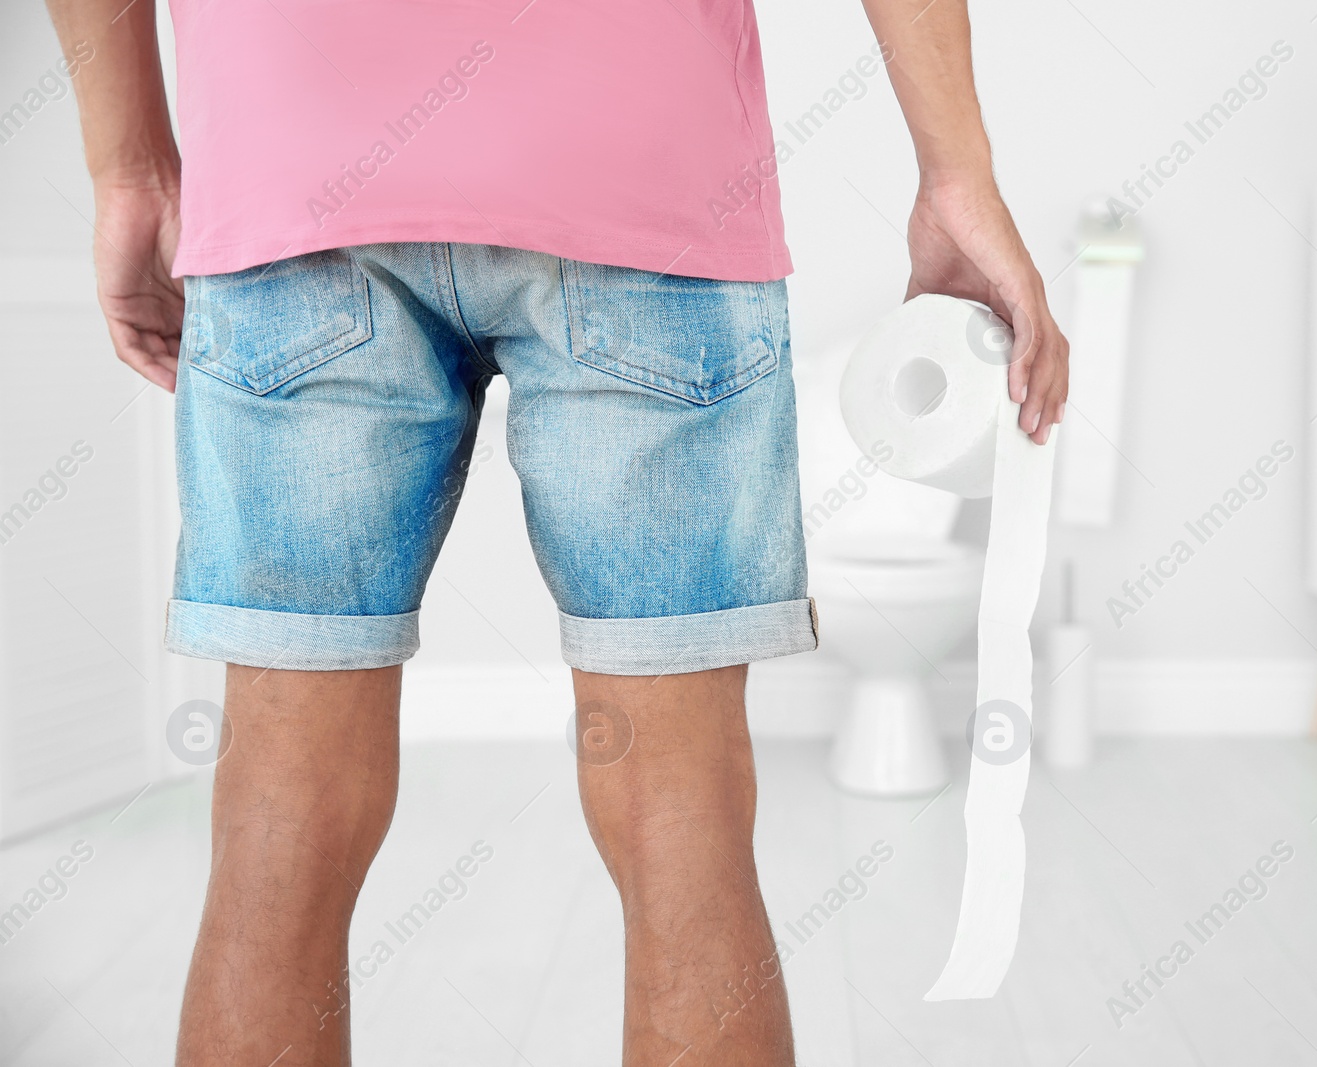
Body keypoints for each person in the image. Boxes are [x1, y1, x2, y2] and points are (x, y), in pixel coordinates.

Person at [45, 0, 1069, 1063]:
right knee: (683, 816)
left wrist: (129, 168)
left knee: (279, 819)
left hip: (290, 169)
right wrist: (955, 173)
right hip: (645, 169)